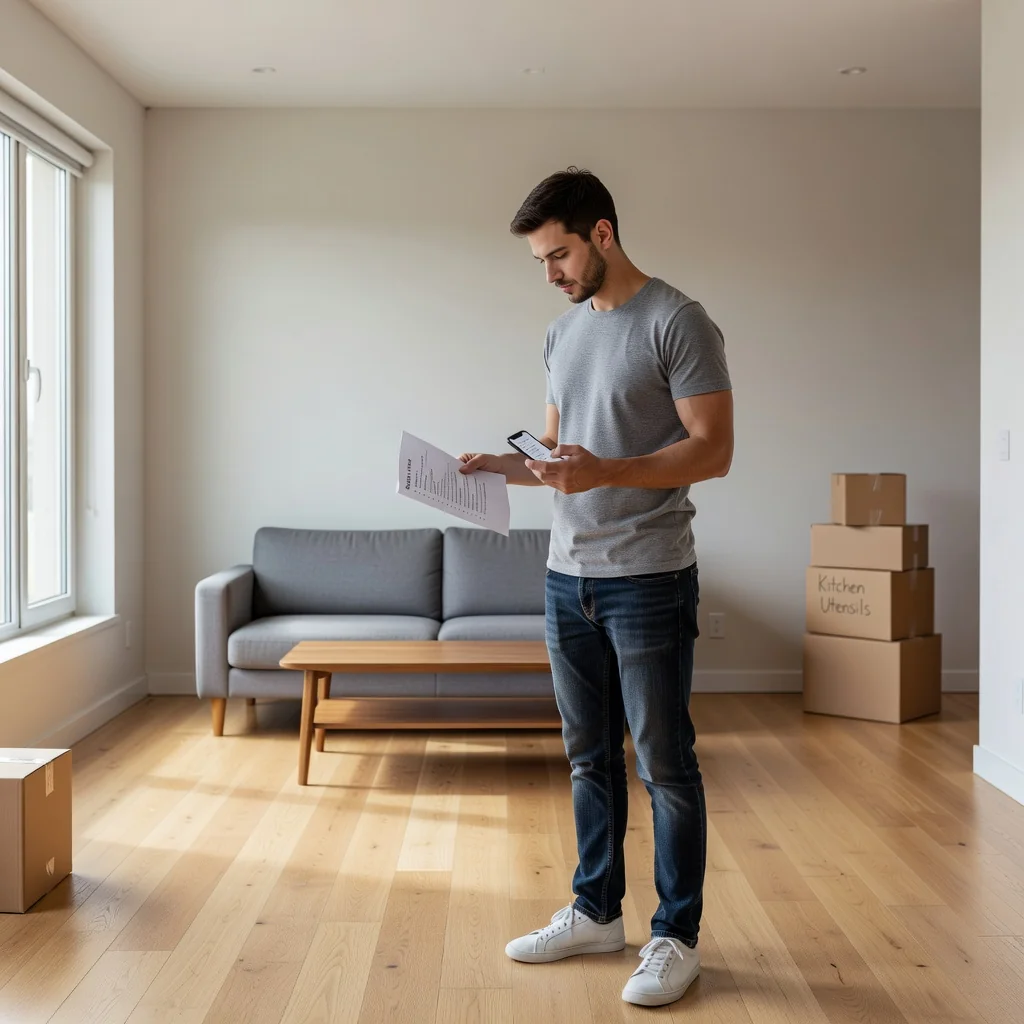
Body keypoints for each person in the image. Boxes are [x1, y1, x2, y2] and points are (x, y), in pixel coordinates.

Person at [458, 166, 733, 1009]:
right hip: (565, 576)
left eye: (559, 255)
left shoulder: (678, 321)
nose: (550, 274)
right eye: (540, 261)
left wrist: (607, 469)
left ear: (602, 234)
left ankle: (675, 935)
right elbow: (559, 456)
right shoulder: (562, 333)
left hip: (648, 577)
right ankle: (595, 912)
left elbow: (714, 449)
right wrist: (500, 467)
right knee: (588, 758)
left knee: (665, 764)